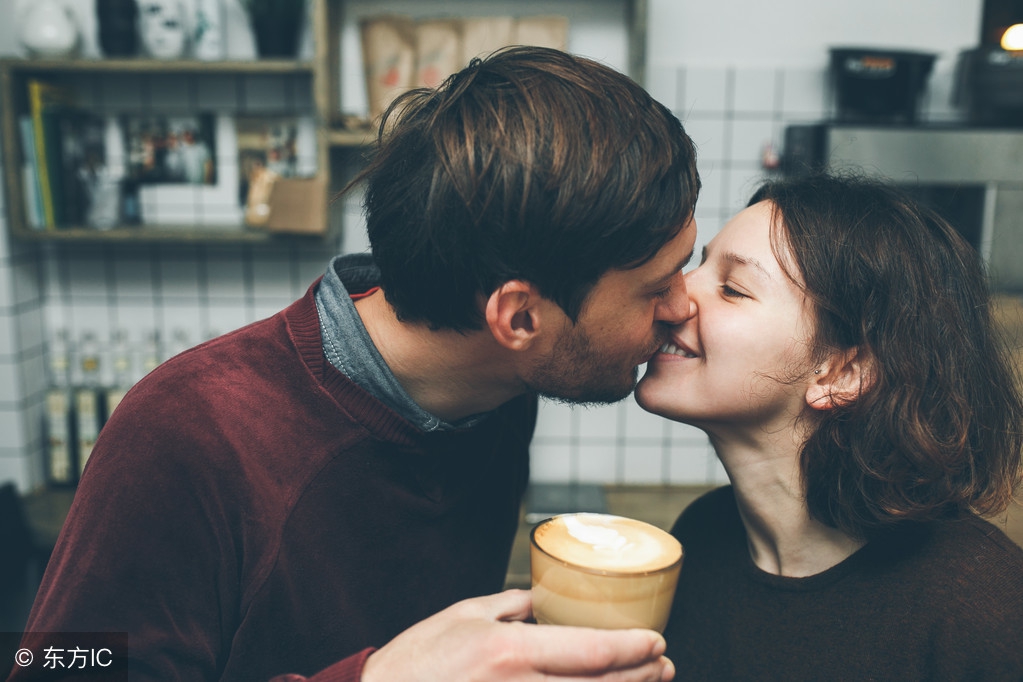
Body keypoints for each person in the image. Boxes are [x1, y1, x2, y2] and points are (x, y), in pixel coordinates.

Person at [9, 47, 700, 682]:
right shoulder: (187, 434)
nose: (684, 304)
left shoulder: (497, 389)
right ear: (518, 317)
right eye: (655, 287)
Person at [635, 171, 1023, 680]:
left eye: (732, 289)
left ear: (840, 373)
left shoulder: (980, 604)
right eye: (697, 265)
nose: (676, 295)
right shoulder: (701, 537)